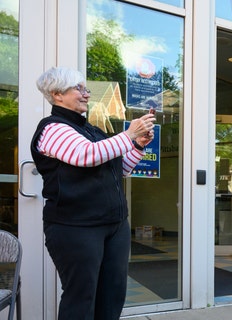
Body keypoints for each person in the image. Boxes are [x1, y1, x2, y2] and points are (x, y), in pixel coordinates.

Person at [31, 66, 156, 320]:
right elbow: (85, 156)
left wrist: (137, 145)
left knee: (112, 294)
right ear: (57, 94)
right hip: (76, 227)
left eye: (85, 88)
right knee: (82, 297)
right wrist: (128, 133)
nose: (86, 94)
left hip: (114, 225)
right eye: (78, 88)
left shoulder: (91, 130)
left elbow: (119, 169)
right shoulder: (52, 128)